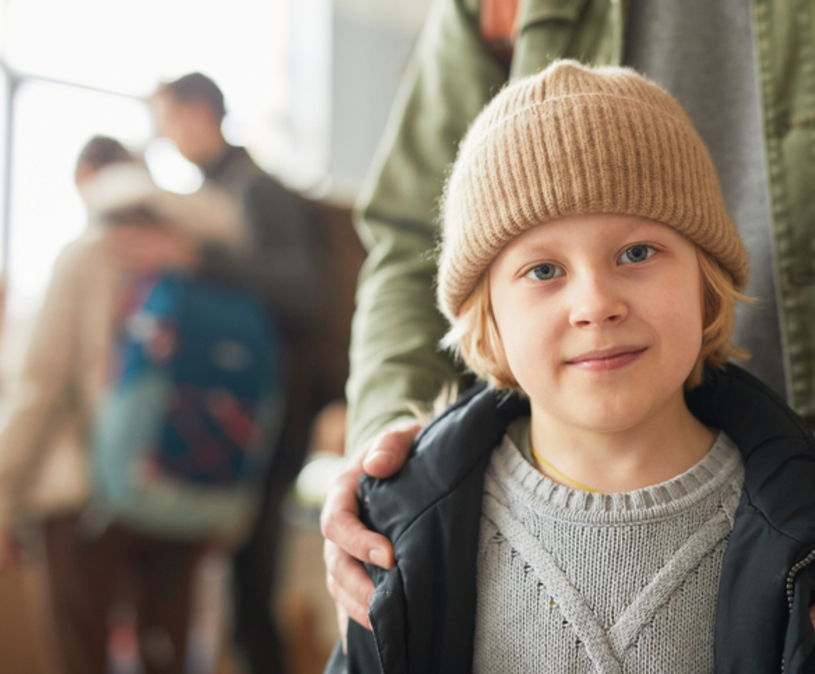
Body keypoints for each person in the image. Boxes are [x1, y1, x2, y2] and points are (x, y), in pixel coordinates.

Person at [322, 0, 815, 637]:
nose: (595, 304)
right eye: (545, 271)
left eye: (637, 253)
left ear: (711, 281)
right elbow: (413, 241)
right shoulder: (417, 540)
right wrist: (389, 464)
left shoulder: (794, 535)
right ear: (485, 314)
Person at [0, 135, 244, 674]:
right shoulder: (202, 254)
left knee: (80, 658)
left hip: (82, 499)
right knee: (167, 658)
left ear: (90, 180)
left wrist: (5, 497)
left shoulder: (88, 255)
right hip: (179, 486)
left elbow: (39, 387)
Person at [153, 72, 324, 674]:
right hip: (229, 407)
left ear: (201, 113)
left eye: (170, 120)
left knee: (252, 577)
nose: (165, 136)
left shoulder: (252, 191)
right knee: (228, 574)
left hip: (270, 411)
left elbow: (300, 291)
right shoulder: (214, 191)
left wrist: (203, 258)